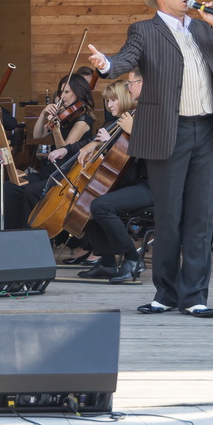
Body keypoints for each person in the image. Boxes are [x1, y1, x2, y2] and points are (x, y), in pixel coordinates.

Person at [88, 0, 213, 318]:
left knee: (200, 216)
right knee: (169, 214)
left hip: (204, 131)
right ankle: (165, 293)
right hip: (166, 132)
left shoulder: (205, 30)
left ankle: (195, 296)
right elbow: (123, 60)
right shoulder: (144, 30)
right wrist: (104, 65)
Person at [75, 74, 152, 283]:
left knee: (101, 205)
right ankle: (108, 262)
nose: (109, 105)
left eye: (130, 86)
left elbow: (149, 155)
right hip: (132, 181)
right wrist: (97, 145)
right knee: (89, 199)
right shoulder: (125, 120)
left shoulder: (145, 119)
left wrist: (130, 133)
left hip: (151, 185)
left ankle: (133, 258)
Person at [0, 74, 96, 231]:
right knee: (10, 186)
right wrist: (43, 114)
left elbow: (64, 152)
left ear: (78, 92)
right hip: (50, 171)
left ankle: (31, 238)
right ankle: (5, 233)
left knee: (31, 192)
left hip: (65, 174)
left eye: (67, 92)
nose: (61, 96)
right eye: (61, 92)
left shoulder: (83, 120)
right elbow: (37, 135)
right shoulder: (66, 115)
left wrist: (56, 130)